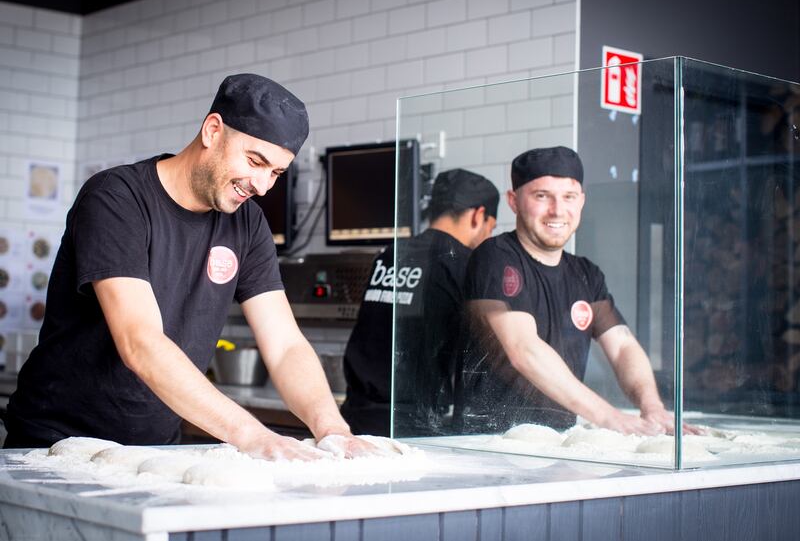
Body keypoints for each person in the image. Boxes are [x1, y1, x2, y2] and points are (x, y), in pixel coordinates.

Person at [4, 74, 375, 461]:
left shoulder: (247, 225)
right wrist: (250, 435)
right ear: (213, 130)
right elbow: (139, 341)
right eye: (255, 161)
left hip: (154, 453)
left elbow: (284, 345)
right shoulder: (117, 199)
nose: (263, 186)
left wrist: (332, 428)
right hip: (56, 446)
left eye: (276, 173)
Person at [454, 146, 696, 436]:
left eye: (568, 197)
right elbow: (524, 350)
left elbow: (622, 347)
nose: (557, 210)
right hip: (491, 440)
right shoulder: (495, 257)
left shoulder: (586, 274)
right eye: (542, 196)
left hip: (559, 441)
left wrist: (652, 407)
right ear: (514, 201)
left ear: (581, 201)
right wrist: (611, 418)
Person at [340, 169, 500, 436]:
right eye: (490, 227)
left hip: (357, 415)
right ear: (478, 214)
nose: (487, 236)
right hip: (413, 426)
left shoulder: (391, 254)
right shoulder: (463, 263)